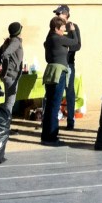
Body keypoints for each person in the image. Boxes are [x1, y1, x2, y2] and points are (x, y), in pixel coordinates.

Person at [41, 15, 78, 144]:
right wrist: (73, 30)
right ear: (56, 29)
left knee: (50, 103)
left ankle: (46, 135)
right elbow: (74, 42)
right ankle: (52, 136)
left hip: (50, 71)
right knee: (55, 105)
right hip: (58, 72)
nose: (64, 31)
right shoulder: (58, 39)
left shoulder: (49, 38)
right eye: (62, 28)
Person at [53, 4, 81, 130]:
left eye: (59, 13)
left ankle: (70, 121)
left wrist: (64, 46)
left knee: (69, 91)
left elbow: (78, 45)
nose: (57, 16)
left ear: (66, 14)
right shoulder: (55, 26)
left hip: (68, 64)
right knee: (54, 92)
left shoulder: (72, 27)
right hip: (57, 64)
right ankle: (54, 120)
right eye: (56, 14)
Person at [0, 21, 24, 120]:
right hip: (11, 75)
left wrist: (0, 66)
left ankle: (5, 124)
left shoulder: (8, 41)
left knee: (9, 101)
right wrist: (6, 69)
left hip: (9, 75)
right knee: (9, 102)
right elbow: (5, 54)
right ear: (19, 32)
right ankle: (5, 125)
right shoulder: (15, 42)